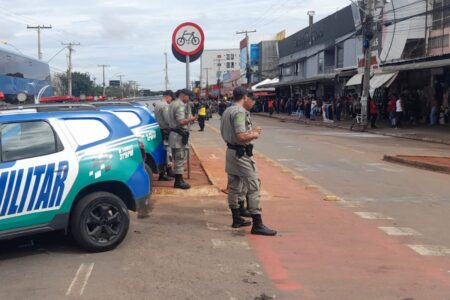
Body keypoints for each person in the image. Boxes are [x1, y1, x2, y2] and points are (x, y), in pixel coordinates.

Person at [220, 87, 277, 236]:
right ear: (245, 97)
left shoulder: (228, 110)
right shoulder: (239, 112)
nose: (253, 103)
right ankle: (257, 223)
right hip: (240, 154)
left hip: (231, 152)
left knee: (234, 185)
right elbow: (241, 136)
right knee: (254, 185)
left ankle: (236, 217)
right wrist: (255, 134)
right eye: (253, 100)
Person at [167, 89, 197, 189]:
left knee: (177, 158)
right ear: (183, 95)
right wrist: (192, 118)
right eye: (188, 97)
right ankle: (178, 182)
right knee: (179, 158)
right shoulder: (180, 105)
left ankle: (180, 180)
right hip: (178, 135)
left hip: (174, 134)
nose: (189, 100)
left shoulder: (172, 103)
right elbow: (181, 121)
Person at [154, 90, 175, 181]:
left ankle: (166, 171)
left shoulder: (157, 104)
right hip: (165, 130)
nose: (171, 100)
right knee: (167, 151)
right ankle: (165, 173)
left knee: (163, 151)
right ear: (168, 97)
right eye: (171, 98)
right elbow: (168, 120)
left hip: (159, 130)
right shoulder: (165, 106)